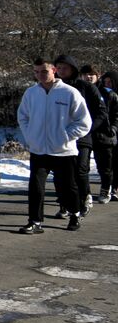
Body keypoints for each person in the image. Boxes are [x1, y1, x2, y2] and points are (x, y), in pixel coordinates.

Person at [17, 59, 92, 234]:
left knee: (67, 186)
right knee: (35, 186)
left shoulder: (69, 93)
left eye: (43, 71)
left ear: (54, 70)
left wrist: (65, 136)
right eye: (36, 72)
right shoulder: (31, 93)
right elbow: (23, 116)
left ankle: (74, 213)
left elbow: (84, 121)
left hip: (63, 151)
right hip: (38, 149)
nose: (40, 76)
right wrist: (31, 135)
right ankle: (35, 221)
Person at [53, 55, 107, 217]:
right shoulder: (52, 87)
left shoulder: (86, 87)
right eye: (59, 68)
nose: (61, 71)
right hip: (60, 136)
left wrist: (87, 128)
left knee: (80, 169)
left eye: (65, 68)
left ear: (73, 68)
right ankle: (64, 203)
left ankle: (84, 198)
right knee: (60, 172)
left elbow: (100, 112)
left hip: (82, 136)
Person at [98, 70, 118, 203]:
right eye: (105, 82)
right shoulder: (103, 94)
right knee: (110, 162)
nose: (107, 84)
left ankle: (115, 187)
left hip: (115, 129)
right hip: (109, 133)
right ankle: (111, 186)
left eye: (110, 82)